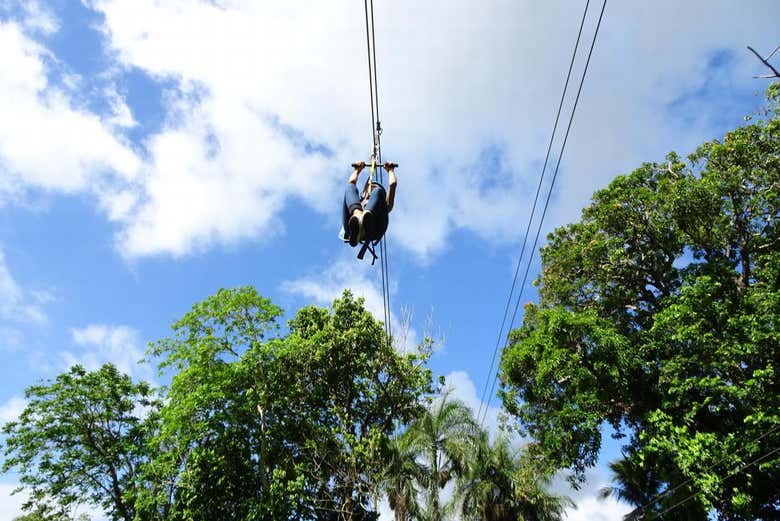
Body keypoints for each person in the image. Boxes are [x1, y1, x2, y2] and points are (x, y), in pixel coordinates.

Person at [342, 161, 397, 248]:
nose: (372, 190)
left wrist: (391, 170)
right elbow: (351, 183)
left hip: (375, 229)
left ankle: (365, 219)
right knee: (349, 187)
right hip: (351, 226)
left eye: (374, 188)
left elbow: (393, 184)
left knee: (379, 191)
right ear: (364, 193)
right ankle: (358, 219)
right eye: (370, 189)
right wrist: (357, 170)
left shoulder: (384, 204)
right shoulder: (358, 202)